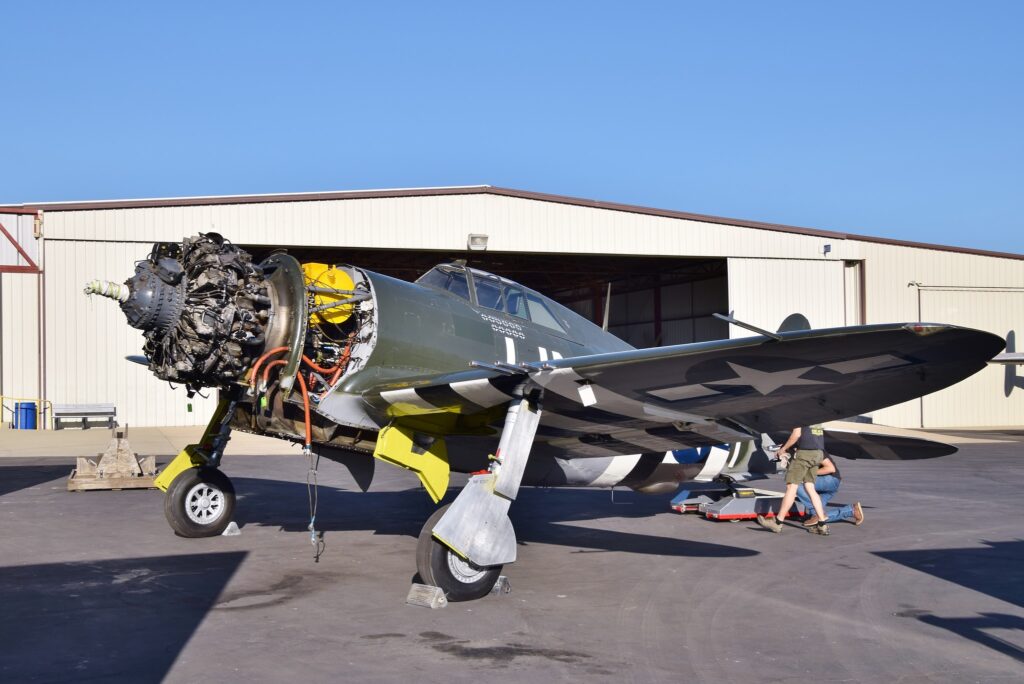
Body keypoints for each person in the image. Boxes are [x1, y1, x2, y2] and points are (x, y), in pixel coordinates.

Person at [756, 426, 831, 535]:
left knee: (791, 487)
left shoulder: (799, 413)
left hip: (805, 454)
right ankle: (822, 524)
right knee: (810, 487)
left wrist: (782, 449)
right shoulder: (816, 415)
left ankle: (778, 522)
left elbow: (796, 434)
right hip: (818, 453)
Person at [797, 455, 865, 526]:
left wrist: (807, 474)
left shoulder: (813, 448)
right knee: (817, 517)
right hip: (821, 485)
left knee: (795, 483)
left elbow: (830, 469)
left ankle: (816, 512)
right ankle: (851, 510)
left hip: (829, 480)